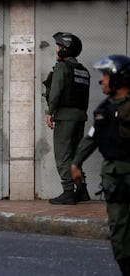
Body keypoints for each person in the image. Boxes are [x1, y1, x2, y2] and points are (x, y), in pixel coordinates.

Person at [71, 54, 130, 275]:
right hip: (113, 176)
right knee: (118, 229)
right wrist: (76, 163)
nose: (101, 80)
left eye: (105, 75)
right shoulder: (103, 109)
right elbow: (92, 138)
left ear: (119, 78)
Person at [43, 32, 91, 205]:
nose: (56, 49)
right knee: (75, 154)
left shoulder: (63, 68)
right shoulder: (83, 70)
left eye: (59, 46)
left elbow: (55, 93)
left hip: (65, 116)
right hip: (80, 117)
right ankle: (82, 190)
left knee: (63, 155)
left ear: (65, 49)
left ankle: (68, 192)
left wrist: (50, 112)